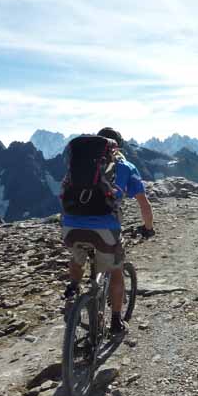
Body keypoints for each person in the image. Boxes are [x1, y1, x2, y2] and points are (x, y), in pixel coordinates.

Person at [61, 127, 154, 334]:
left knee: (78, 255)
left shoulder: (80, 163)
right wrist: (148, 229)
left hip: (70, 225)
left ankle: (72, 290)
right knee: (116, 270)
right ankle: (115, 322)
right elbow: (144, 205)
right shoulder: (126, 166)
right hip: (105, 228)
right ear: (117, 146)